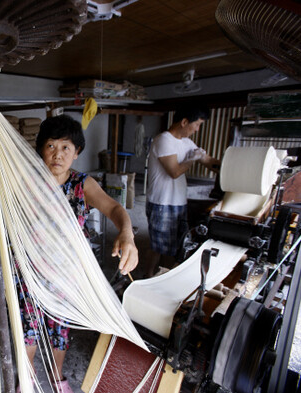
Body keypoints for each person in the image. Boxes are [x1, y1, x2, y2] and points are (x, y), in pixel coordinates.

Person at [16, 114, 138, 393]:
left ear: (76, 152)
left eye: (65, 147)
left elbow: (116, 210)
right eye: (50, 146)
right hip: (28, 271)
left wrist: (127, 234)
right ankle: (26, 380)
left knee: (60, 328)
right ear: (41, 150)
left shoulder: (82, 185)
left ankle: (57, 377)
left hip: (66, 273)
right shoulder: (26, 182)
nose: (57, 154)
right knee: (27, 326)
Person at [145, 105, 220, 276]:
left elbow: (208, 161)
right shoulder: (164, 140)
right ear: (185, 122)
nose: (197, 129)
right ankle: (147, 277)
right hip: (161, 203)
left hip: (178, 202)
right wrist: (192, 159)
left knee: (174, 246)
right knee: (158, 246)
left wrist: (227, 168)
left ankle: (164, 275)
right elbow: (174, 171)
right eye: (197, 124)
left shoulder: (186, 143)